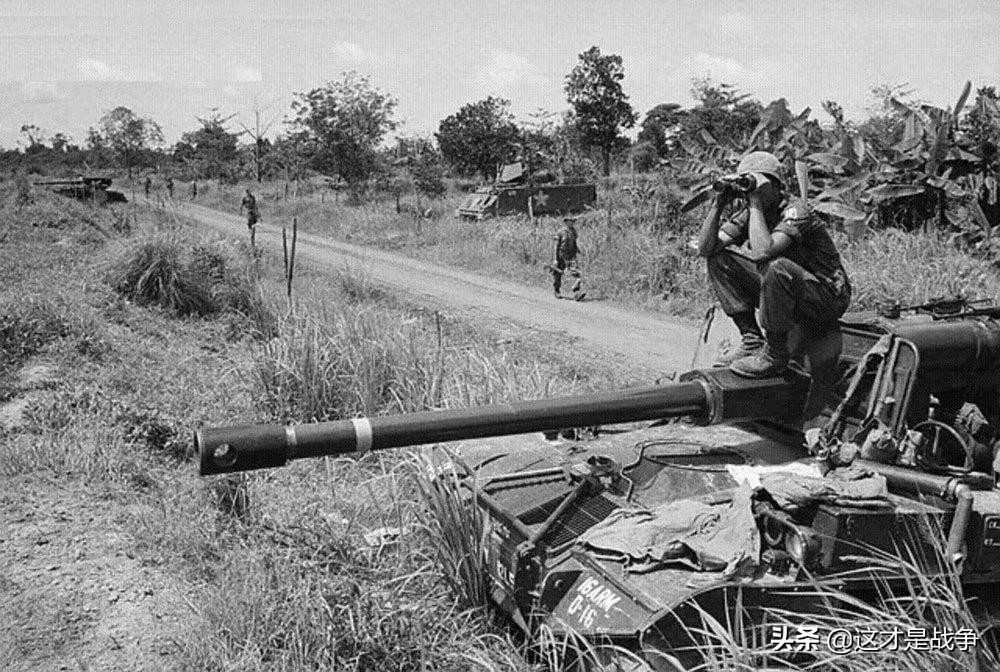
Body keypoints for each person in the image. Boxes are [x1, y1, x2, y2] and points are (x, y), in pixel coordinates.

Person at [696, 151, 851, 378]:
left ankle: (775, 354)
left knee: (776, 266)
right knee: (720, 260)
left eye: (756, 182)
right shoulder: (752, 213)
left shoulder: (796, 210)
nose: (750, 191)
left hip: (826, 297)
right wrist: (718, 204)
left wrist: (755, 202)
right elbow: (706, 249)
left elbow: (763, 252)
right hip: (789, 290)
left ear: (776, 186)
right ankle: (751, 339)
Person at [551, 216, 585, 301]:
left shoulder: (573, 231)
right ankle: (557, 290)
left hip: (571, 255)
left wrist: (578, 250)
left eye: (573, 221)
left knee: (576, 273)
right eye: (571, 221)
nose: (572, 222)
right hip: (561, 255)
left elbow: (574, 242)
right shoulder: (560, 232)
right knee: (558, 273)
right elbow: (556, 246)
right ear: (566, 222)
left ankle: (577, 293)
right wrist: (555, 259)